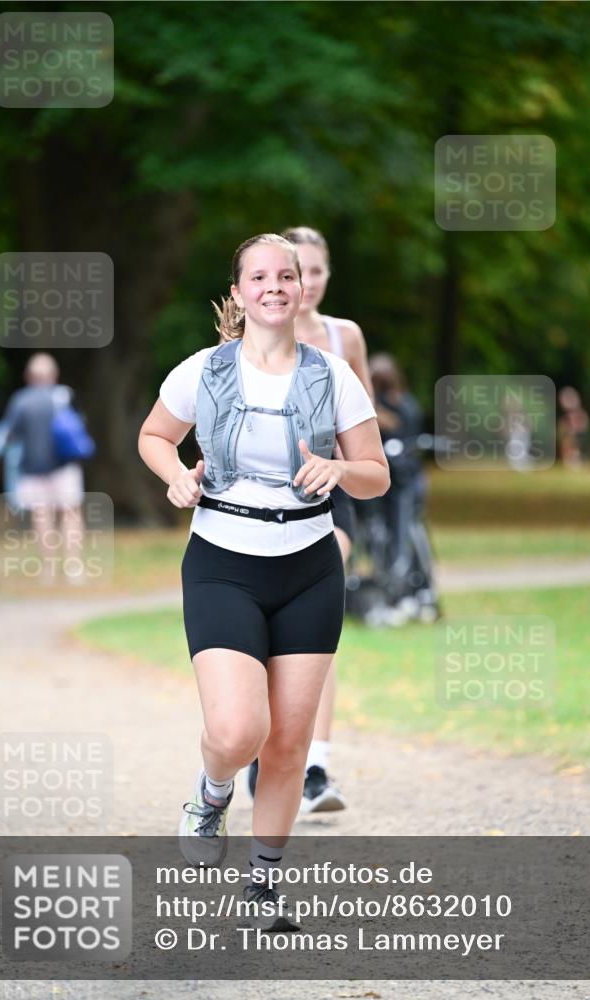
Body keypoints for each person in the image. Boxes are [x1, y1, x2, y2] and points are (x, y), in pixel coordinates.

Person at [138, 234, 388, 927]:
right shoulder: (203, 370)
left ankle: (263, 887)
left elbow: (376, 474)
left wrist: (339, 469)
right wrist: (176, 478)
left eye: (286, 276)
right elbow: (154, 436)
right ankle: (212, 792)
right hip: (223, 561)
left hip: (309, 566)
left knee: (287, 745)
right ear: (238, 292)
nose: (274, 287)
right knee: (237, 730)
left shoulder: (334, 376)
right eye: (259, 277)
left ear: (301, 289)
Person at [247, 225, 374, 813]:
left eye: (318, 270)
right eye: (302, 271)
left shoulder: (346, 336)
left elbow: (364, 417)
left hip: (330, 488)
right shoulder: (256, 326)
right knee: (269, 631)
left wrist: (354, 464)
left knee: (318, 607)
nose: (311, 281)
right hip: (262, 494)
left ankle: (314, 764)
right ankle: (263, 742)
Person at [0, 352, 86, 583]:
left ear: (28, 376)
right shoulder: (65, 395)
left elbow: (8, 435)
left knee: (42, 516)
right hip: (65, 466)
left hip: (33, 469)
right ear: (54, 375)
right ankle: (74, 567)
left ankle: (49, 568)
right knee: (71, 514)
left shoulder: (20, 401)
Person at [364, 353, 439, 624]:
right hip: (387, 488)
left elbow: (406, 444)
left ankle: (415, 592)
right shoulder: (376, 407)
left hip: (406, 485)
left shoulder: (403, 407)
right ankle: (397, 591)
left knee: (407, 535)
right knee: (385, 536)